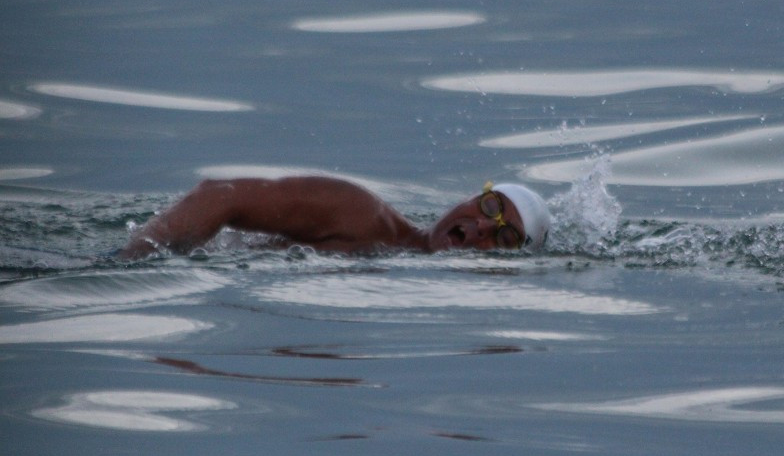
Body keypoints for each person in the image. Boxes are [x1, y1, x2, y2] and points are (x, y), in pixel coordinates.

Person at [119, 176, 551, 259]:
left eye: (505, 237)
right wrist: (133, 263)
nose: (480, 227)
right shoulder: (359, 213)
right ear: (474, 196)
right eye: (490, 207)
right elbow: (218, 196)